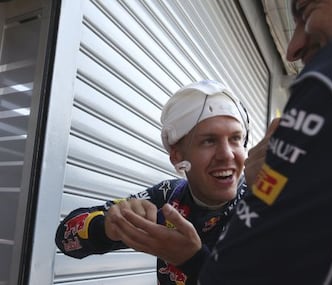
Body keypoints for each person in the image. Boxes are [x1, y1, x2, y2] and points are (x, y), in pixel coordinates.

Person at [194, 0, 332, 284]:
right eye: (207, 141)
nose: (293, 48)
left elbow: (231, 274)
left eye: (307, 9)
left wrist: (263, 189)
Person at [55, 79, 250, 285]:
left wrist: (193, 259)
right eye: (209, 140)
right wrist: (108, 227)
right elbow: (65, 238)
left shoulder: (265, 205)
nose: (227, 155)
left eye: (235, 138)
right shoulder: (169, 197)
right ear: (176, 157)